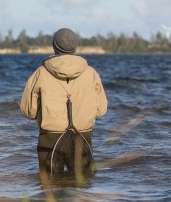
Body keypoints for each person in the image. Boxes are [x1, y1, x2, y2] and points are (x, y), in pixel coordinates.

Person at [20, 28, 107, 178]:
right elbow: (101, 110)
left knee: (49, 187)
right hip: (82, 136)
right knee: (82, 185)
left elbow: (29, 111)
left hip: (50, 138)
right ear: (75, 47)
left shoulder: (40, 73)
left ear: (54, 47)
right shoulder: (91, 73)